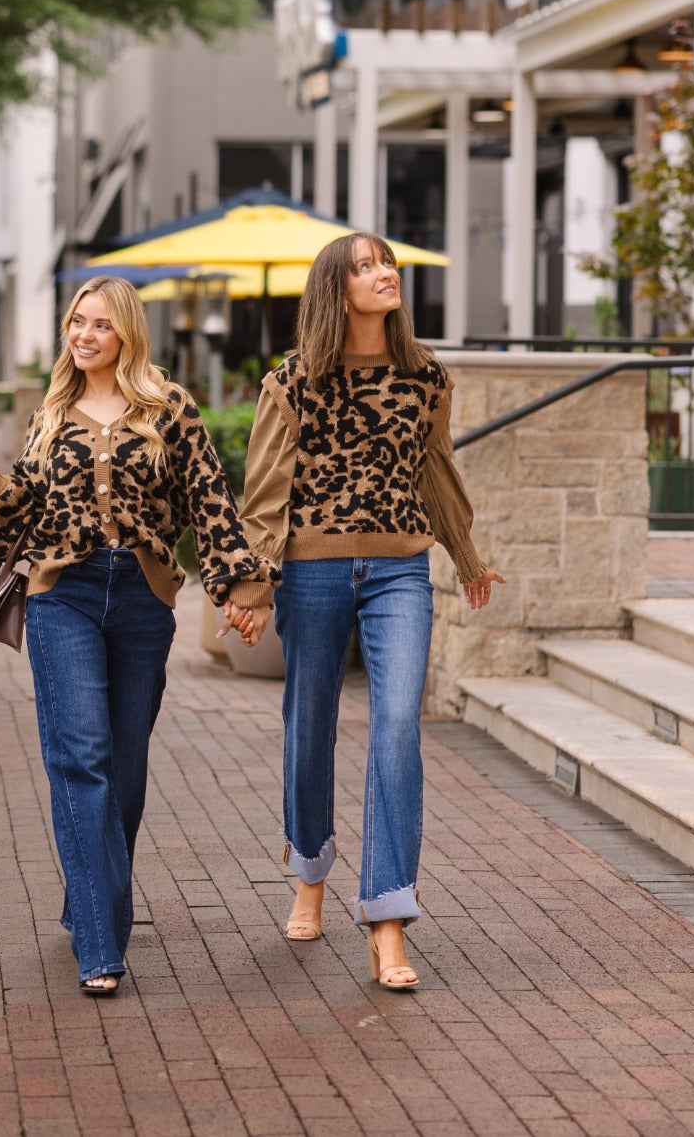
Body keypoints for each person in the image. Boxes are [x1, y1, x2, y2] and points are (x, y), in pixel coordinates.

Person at [0, 277, 276, 996]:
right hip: (61, 594)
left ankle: (87, 898)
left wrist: (241, 588)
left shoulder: (169, 407)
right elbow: (20, 521)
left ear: (126, 332)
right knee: (82, 756)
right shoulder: (53, 413)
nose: (83, 334)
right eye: (76, 321)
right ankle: (100, 942)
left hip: (140, 597)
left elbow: (211, 502)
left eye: (99, 323)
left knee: (124, 767)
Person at [230, 233, 504, 991]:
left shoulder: (424, 376)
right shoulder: (293, 380)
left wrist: (467, 555)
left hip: (399, 569)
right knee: (308, 724)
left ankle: (388, 917)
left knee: (396, 726)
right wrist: (252, 588)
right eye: (365, 266)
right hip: (312, 569)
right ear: (336, 287)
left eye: (388, 263)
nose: (384, 273)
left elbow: (437, 470)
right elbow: (264, 495)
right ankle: (311, 867)